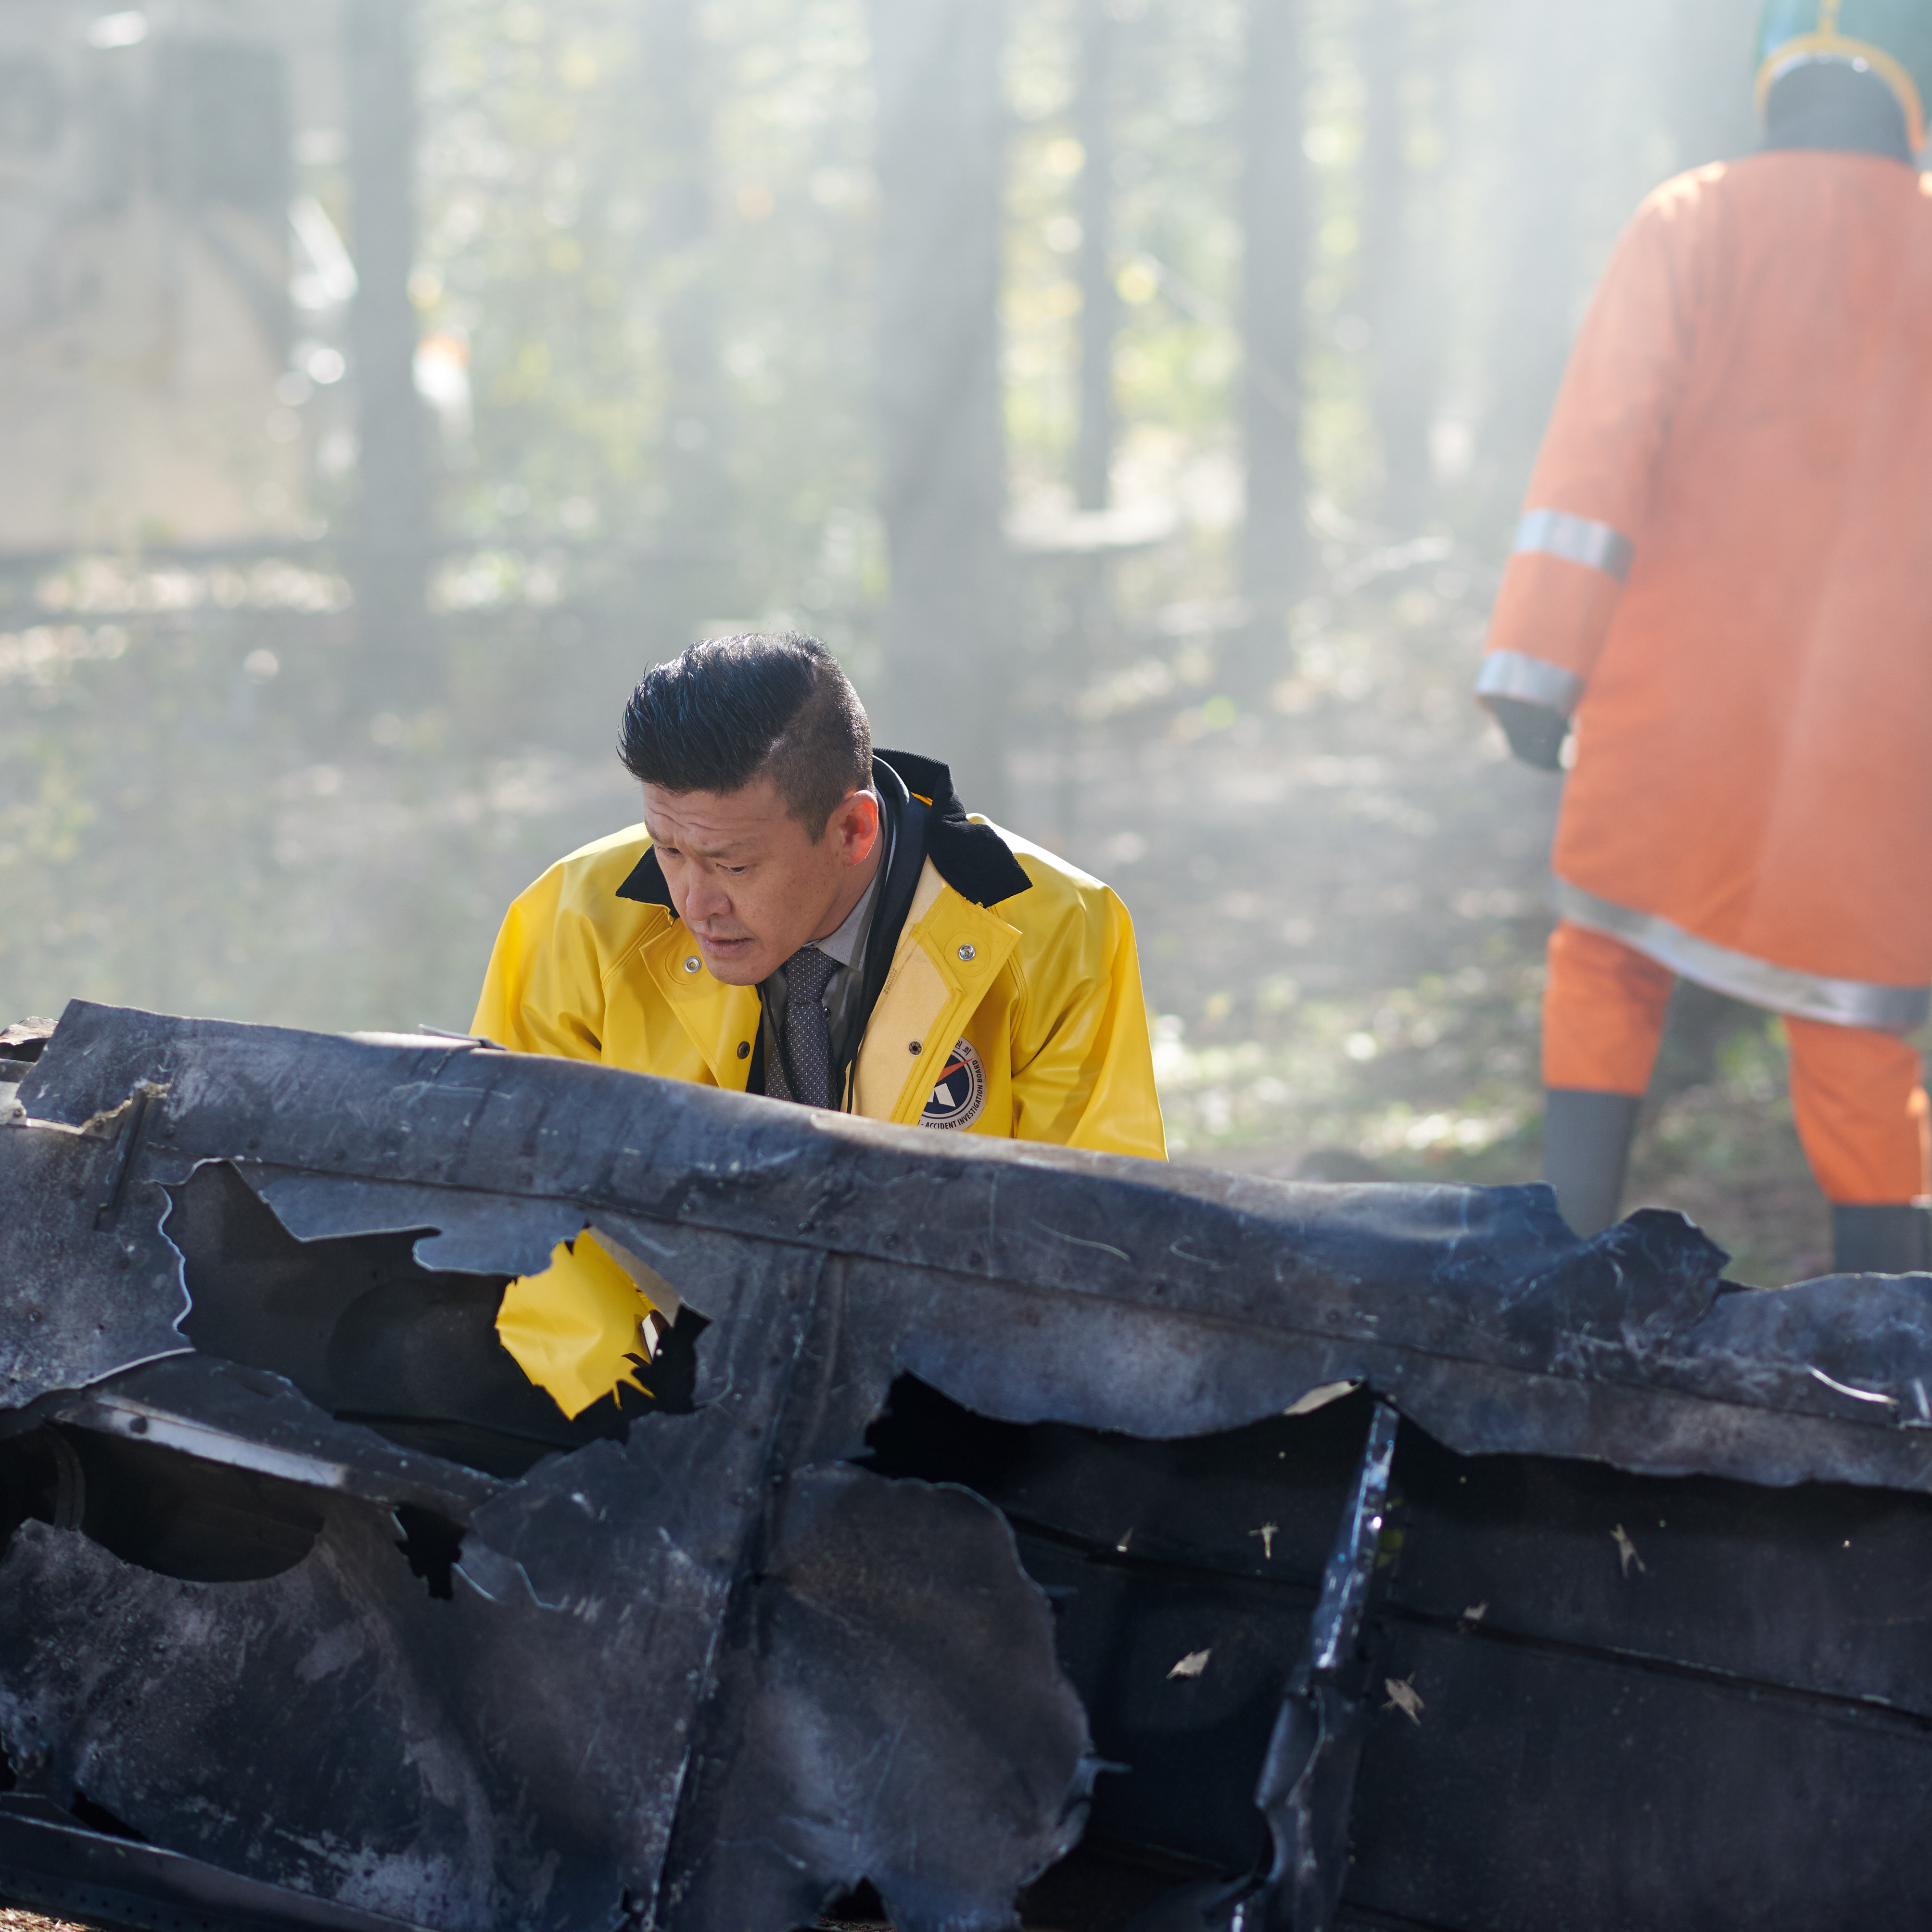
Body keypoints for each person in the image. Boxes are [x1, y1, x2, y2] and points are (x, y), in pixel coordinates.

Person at [1476, 0, 1932, 1273]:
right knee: (1859, 1031)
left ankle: (1560, 1279)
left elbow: (1599, 455)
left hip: (1674, 709)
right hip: (1874, 741)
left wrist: (1535, 668)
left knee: (1607, 960)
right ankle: (1892, 1335)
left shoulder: (1691, 217)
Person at [474, 631, 1167, 1161]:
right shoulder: (572, 919)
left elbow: (1094, 1232)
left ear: (853, 829)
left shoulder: (1060, 932)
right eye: (669, 849)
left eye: (734, 865)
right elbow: (520, 1210)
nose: (694, 903)